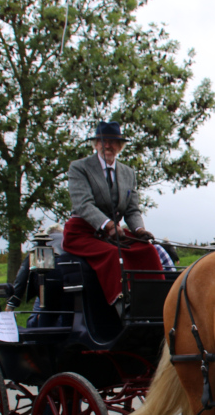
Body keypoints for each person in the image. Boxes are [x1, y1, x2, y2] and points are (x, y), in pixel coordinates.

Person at [64, 121, 162, 308]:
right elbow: (83, 204)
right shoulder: (79, 168)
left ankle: (158, 302)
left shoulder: (128, 173)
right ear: (96, 144)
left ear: (120, 146)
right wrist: (109, 225)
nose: (107, 145)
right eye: (102, 141)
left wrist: (140, 230)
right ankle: (125, 306)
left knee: (148, 250)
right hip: (84, 232)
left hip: (114, 234)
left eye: (112, 142)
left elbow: (132, 209)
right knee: (112, 255)